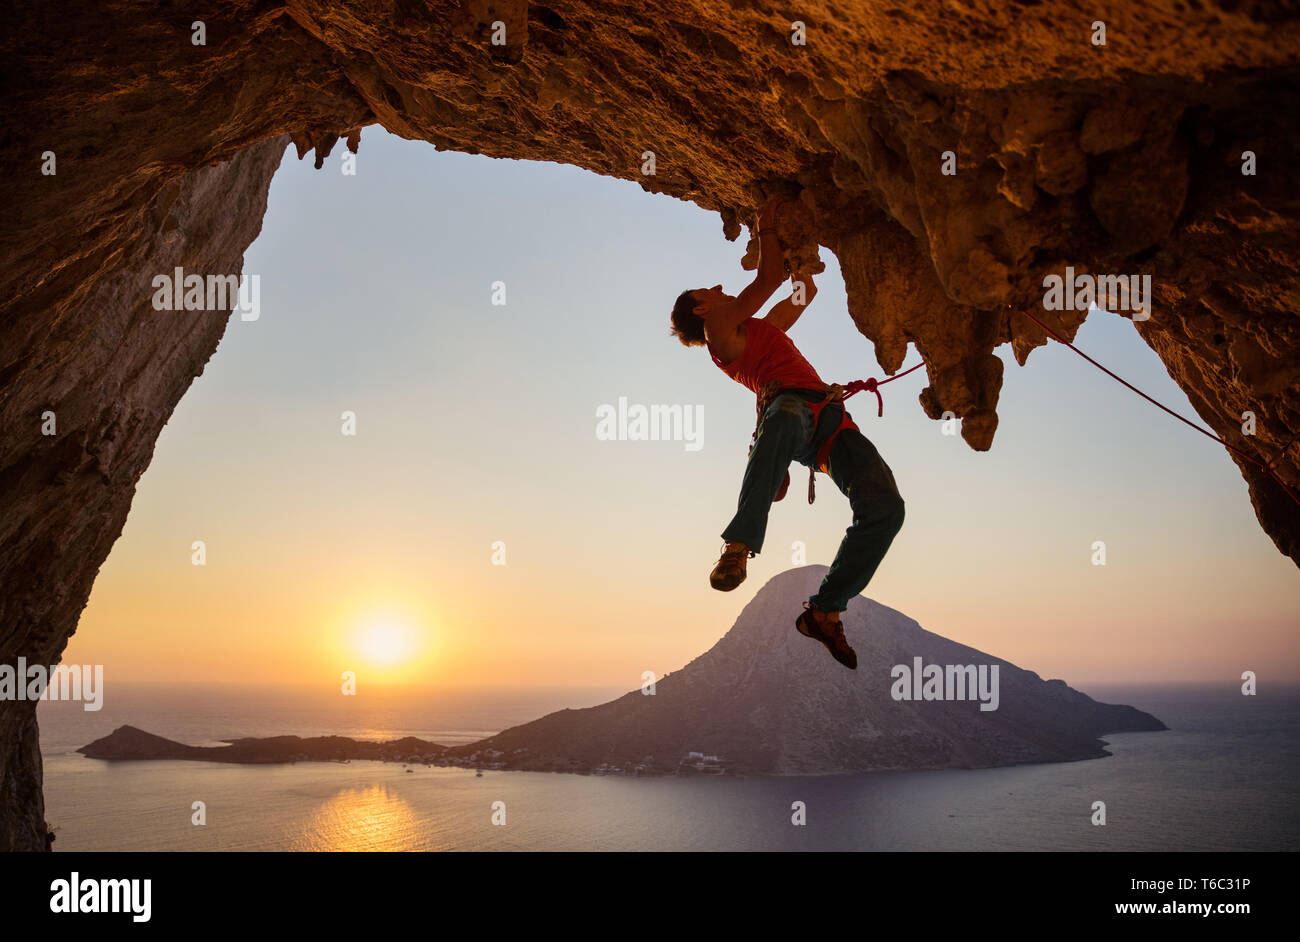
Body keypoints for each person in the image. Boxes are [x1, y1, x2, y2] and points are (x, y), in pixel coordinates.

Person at [669, 197, 905, 669]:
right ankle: (738, 545)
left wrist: (805, 259)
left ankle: (825, 610)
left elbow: (799, 295)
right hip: (791, 410)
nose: (718, 286)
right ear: (701, 306)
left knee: (886, 508)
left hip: (829, 418)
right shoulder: (718, 328)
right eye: (709, 289)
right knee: (785, 416)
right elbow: (768, 278)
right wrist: (767, 227)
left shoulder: (756, 329)